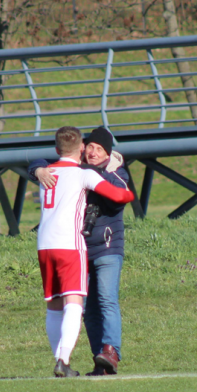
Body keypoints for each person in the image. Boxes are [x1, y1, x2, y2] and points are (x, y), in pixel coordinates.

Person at [36, 126, 135, 378]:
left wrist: (100, 172)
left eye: (98, 148)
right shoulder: (78, 173)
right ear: (81, 148)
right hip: (76, 247)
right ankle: (80, 360)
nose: (91, 151)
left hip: (87, 245)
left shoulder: (61, 172)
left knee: (97, 300)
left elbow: (124, 192)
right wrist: (36, 167)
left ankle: (106, 352)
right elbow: (124, 195)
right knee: (80, 305)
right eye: (89, 146)